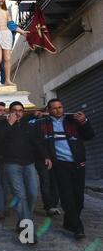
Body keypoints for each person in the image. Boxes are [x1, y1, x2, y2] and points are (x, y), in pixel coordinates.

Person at [36, 99, 95, 240]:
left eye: (60, 107)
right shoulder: (42, 124)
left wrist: (84, 121)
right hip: (60, 165)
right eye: (54, 108)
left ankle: (69, 222)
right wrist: (46, 157)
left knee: (79, 199)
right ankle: (78, 228)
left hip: (78, 164)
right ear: (48, 110)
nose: (58, 110)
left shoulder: (73, 120)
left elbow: (89, 135)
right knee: (67, 197)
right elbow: (37, 142)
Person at [0, 101, 38, 244]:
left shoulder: (27, 124)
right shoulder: (1, 124)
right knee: (20, 196)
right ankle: (28, 232)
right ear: (9, 111)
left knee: (32, 194)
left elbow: (36, 141)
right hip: (11, 164)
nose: (17, 113)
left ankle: (21, 221)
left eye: (20, 110)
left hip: (28, 163)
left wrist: (46, 157)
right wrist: (9, 124)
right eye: (14, 110)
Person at [28, 109, 61, 217]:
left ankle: (54, 205)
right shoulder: (33, 122)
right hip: (40, 158)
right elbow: (34, 139)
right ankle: (49, 206)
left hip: (55, 156)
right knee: (45, 181)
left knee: (55, 182)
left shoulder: (52, 122)